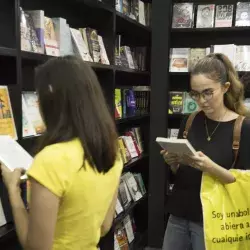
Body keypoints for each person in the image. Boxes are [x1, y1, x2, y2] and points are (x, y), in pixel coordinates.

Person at [0, 56, 123, 250]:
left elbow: (36, 248)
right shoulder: (112, 152)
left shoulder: (51, 160)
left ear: (50, 100)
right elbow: (105, 226)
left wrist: (13, 192)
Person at [161, 53, 250, 250]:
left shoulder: (243, 127)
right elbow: (182, 173)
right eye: (195, 94)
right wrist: (174, 163)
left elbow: (244, 183)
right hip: (179, 215)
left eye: (208, 92)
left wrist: (211, 167)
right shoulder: (190, 120)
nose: (201, 100)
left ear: (225, 87)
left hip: (215, 220)